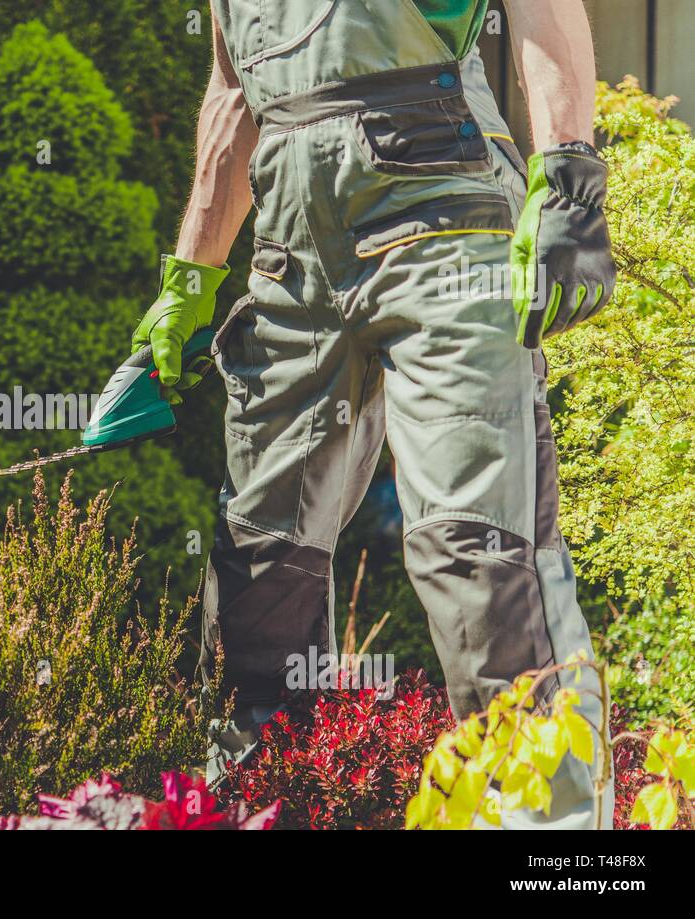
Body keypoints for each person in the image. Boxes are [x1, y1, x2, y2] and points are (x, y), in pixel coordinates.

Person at [132, 0, 615, 829]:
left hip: (438, 209)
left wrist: (569, 170)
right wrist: (190, 274)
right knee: (258, 564)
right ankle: (262, 804)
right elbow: (231, 90)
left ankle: (554, 837)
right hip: (289, 246)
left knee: (479, 547)